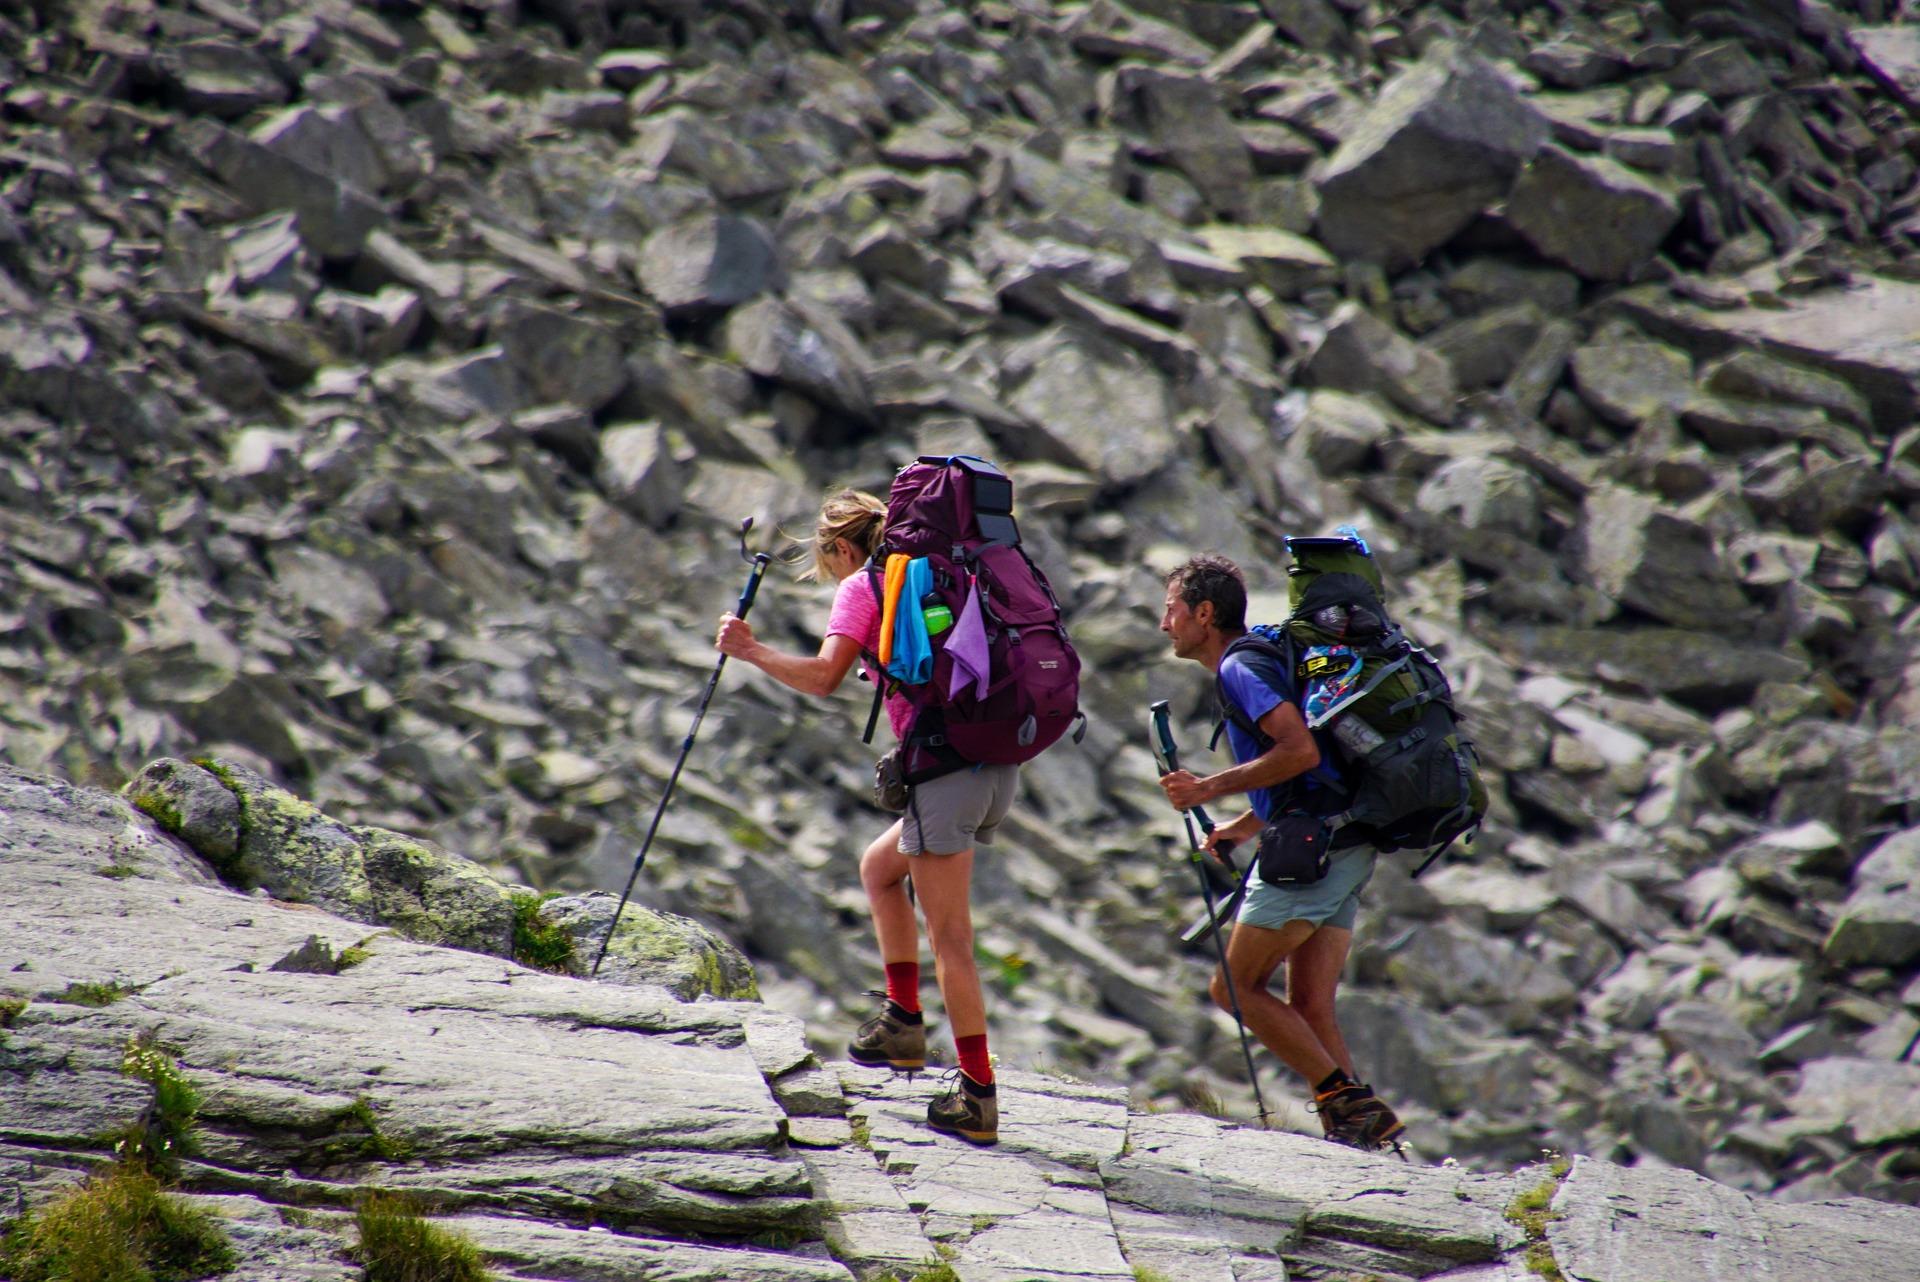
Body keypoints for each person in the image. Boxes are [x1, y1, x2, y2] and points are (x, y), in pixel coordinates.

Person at [714, 488, 1015, 1146]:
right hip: (995, 763)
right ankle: (903, 1022)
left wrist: (751, 650)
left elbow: (824, 678)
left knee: (952, 944)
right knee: (880, 869)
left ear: (842, 549)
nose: (828, 575)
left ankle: (978, 1095)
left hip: (946, 769)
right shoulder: (946, 573)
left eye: (826, 563)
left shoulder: (865, 584)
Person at [1155, 554, 1405, 1151]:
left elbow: (1299, 752)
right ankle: (1359, 1140)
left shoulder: (1240, 668)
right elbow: (1304, 767)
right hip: (1345, 842)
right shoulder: (1264, 660)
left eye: (1172, 609)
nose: (1165, 623)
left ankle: (1348, 1107)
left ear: (1205, 614)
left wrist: (1207, 788)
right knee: (1310, 1004)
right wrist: (1243, 825)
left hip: (1311, 852)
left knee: (1235, 989)